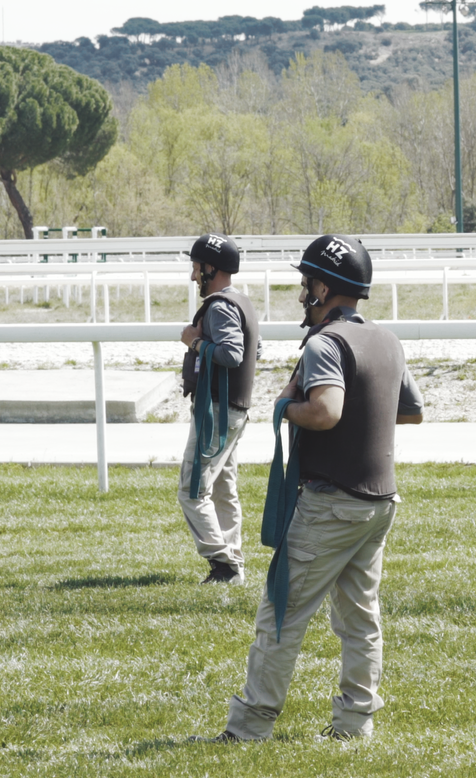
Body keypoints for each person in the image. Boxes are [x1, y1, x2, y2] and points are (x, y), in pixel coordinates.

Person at [215, 233, 423, 742]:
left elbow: (326, 411)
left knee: (280, 612)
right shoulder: (387, 340)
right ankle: (355, 723)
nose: (302, 292)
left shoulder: (324, 343)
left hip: (331, 503)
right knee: (360, 616)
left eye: (307, 282)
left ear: (324, 289)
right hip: (379, 502)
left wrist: (286, 407)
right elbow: (411, 411)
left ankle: (250, 725)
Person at [178, 233, 259, 583]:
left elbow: (233, 353)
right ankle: (233, 563)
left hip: (217, 412)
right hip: (233, 411)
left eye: (197, 268)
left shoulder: (221, 306)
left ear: (211, 268)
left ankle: (223, 564)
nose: (193, 276)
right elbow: (255, 351)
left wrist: (195, 341)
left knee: (192, 491)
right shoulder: (242, 302)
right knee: (224, 490)